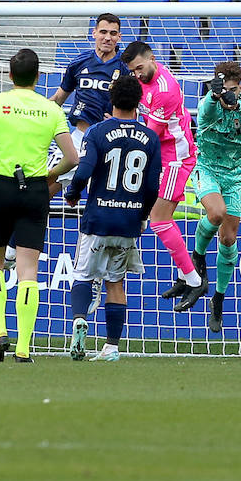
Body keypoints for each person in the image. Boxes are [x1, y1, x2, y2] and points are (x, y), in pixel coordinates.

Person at [0, 48, 77, 362]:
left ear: (10, 76)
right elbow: (72, 159)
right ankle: (24, 347)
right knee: (29, 270)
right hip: (35, 189)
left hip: (1, 187)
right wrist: (47, 174)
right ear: (39, 77)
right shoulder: (51, 109)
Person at [63, 76, 161, 362]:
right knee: (115, 281)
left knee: (83, 275)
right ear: (138, 102)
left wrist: (72, 193)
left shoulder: (97, 132)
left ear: (111, 100)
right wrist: (142, 215)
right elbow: (153, 187)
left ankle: (80, 319)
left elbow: (83, 171)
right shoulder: (151, 138)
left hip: (98, 219)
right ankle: (112, 347)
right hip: (129, 221)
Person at [119, 41, 206, 308]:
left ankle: (194, 281)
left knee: (158, 219)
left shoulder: (165, 90)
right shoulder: (143, 79)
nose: (137, 75)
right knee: (156, 217)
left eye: (140, 69)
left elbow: (150, 135)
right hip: (161, 156)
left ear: (152, 59)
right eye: (133, 71)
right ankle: (185, 275)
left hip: (176, 159)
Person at [189, 61, 241, 332]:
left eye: (234, 89)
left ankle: (218, 298)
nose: (229, 94)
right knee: (215, 214)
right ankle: (197, 256)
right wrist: (215, 96)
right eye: (224, 89)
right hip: (207, 168)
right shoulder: (209, 101)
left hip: (235, 174)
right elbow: (206, 110)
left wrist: (234, 101)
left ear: (240, 86)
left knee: (229, 238)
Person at [52, 13, 126, 141]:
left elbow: (134, 107)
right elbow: (59, 97)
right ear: (94, 33)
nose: (107, 38)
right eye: (103, 32)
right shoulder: (79, 62)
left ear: (119, 37)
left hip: (110, 137)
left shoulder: (124, 67)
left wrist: (119, 121)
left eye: (113, 33)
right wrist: (38, 112)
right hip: (80, 135)